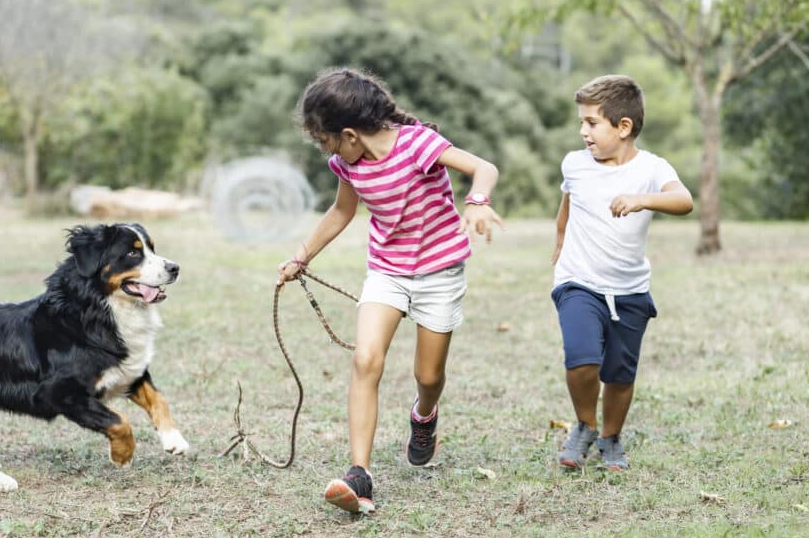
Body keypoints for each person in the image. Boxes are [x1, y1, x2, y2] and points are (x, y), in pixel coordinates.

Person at [278, 67, 501, 514]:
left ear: (350, 134)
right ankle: (359, 473)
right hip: (388, 271)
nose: (327, 150)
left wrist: (477, 201)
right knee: (366, 359)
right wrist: (302, 256)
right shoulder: (346, 163)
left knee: (429, 376)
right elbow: (341, 212)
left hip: (439, 271)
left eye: (326, 141)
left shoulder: (417, 144)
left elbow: (483, 167)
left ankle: (423, 417)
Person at [551, 74, 693, 471]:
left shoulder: (651, 168)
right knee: (581, 359)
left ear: (623, 126)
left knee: (619, 373)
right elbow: (567, 204)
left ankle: (611, 437)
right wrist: (560, 239)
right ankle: (584, 425)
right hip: (578, 280)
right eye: (582, 122)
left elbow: (684, 200)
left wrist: (640, 199)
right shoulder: (574, 164)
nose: (583, 132)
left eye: (592, 123)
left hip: (629, 288)